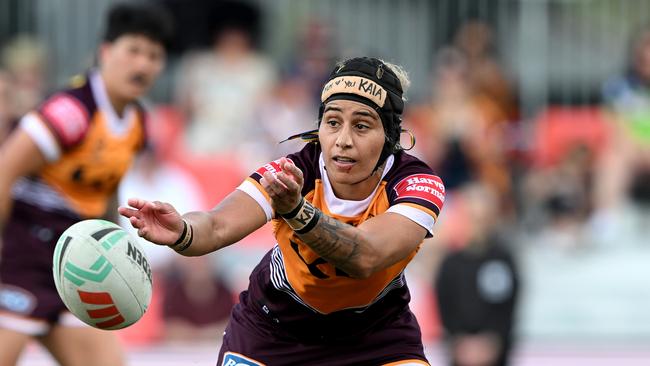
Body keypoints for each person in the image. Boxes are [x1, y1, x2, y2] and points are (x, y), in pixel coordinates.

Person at [120, 57, 445, 365]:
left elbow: (366, 257)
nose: (343, 140)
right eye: (332, 122)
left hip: (376, 335)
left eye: (361, 126)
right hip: (274, 329)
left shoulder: (415, 183)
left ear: (389, 135)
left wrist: (297, 212)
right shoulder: (290, 174)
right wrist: (182, 231)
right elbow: (216, 226)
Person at [0, 3, 172, 365]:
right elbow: (4, 170)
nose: (143, 64)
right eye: (134, 51)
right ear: (106, 52)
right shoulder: (72, 112)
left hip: (75, 266)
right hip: (21, 256)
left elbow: (108, 190)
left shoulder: (138, 122)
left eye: (154, 55)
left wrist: (117, 243)